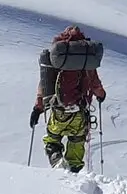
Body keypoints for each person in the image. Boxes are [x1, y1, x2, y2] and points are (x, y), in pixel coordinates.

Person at [30, 24, 106, 172]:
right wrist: (101, 95)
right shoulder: (86, 60)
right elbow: (95, 84)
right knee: (77, 141)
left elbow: (45, 84)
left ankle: (56, 158)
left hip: (58, 110)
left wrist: (38, 108)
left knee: (53, 138)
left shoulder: (57, 58)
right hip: (79, 111)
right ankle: (73, 171)